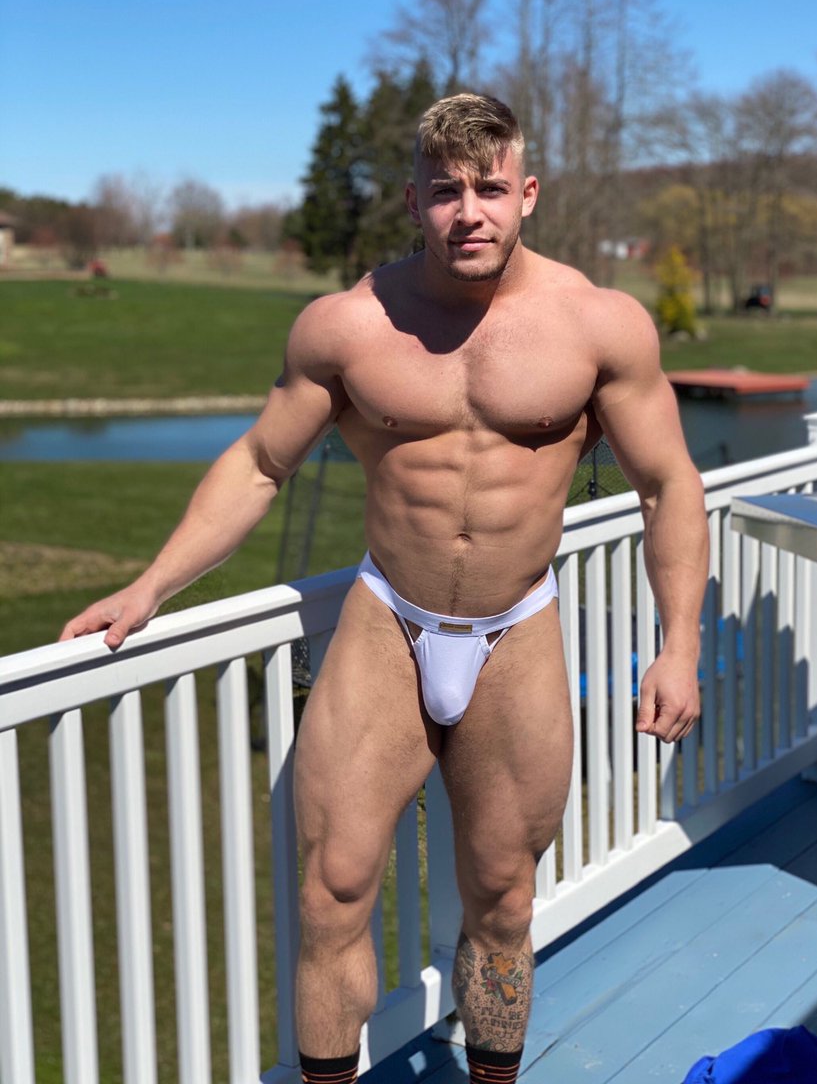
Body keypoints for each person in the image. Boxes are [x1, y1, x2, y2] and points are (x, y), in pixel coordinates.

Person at [62, 94, 709, 1084]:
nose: (469, 212)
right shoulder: (348, 326)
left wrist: (679, 643)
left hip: (518, 629)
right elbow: (260, 465)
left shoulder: (598, 324)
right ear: (414, 201)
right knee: (331, 891)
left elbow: (667, 485)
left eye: (490, 187)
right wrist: (151, 586)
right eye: (446, 191)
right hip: (388, 625)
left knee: (502, 898)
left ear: (528, 194)